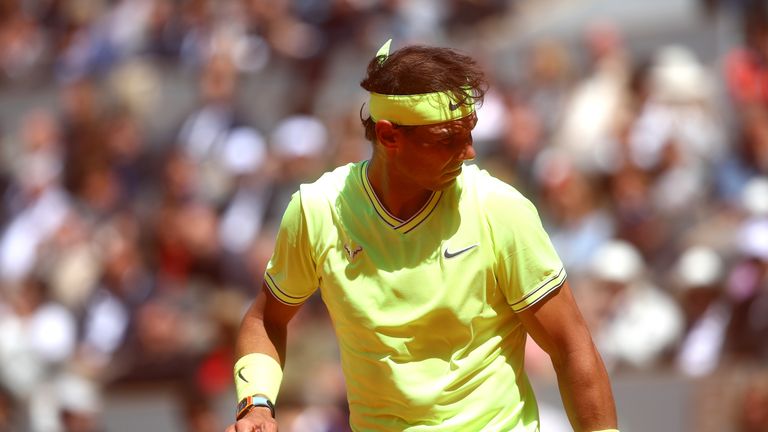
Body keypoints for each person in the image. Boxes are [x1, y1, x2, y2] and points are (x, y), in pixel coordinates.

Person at [226, 40, 618, 432]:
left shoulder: (501, 209)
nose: (469, 153)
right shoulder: (316, 211)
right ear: (389, 136)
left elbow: (572, 345)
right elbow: (265, 320)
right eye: (448, 139)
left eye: (470, 133)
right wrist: (255, 404)